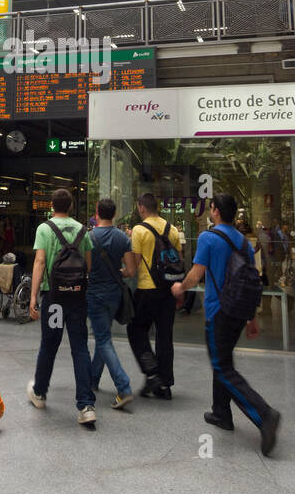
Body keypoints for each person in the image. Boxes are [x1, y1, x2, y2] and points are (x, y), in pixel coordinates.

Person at [173, 194, 281, 456]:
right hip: (237, 311)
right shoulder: (243, 241)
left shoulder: (209, 238)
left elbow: (197, 273)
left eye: (211, 208)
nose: (210, 211)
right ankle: (221, 412)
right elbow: (250, 280)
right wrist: (251, 317)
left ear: (217, 211)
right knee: (223, 360)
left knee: (222, 367)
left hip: (218, 311)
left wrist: (180, 287)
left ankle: (264, 414)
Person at [26, 188, 96, 427]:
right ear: (71, 206)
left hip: (54, 299)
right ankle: (86, 405)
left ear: (51, 205)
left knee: (49, 344)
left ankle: (40, 392)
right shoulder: (82, 230)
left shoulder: (44, 229)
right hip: (77, 298)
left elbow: (40, 261)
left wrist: (33, 296)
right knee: (80, 347)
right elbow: (88, 266)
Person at [126, 191, 181, 398]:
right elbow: (178, 260)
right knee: (165, 335)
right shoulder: (172, 229)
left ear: (141, 207)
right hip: (168, 289)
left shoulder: (139, 230)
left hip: (147, 289)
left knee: (136, 329)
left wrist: (124, 272)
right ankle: (165, 386)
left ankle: (152, 373)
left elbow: (136, 263)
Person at [87, 198, 134, 410]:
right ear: (114, 214)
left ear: (97, 213)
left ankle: (123, 387)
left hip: (95, 293)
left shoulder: (89, 237)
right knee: (103, 336)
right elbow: (131, 270)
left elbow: (87, 269)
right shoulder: (122, 237)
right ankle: (92, 380)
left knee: (103, 339)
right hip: (115, 293)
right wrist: (118, 272)